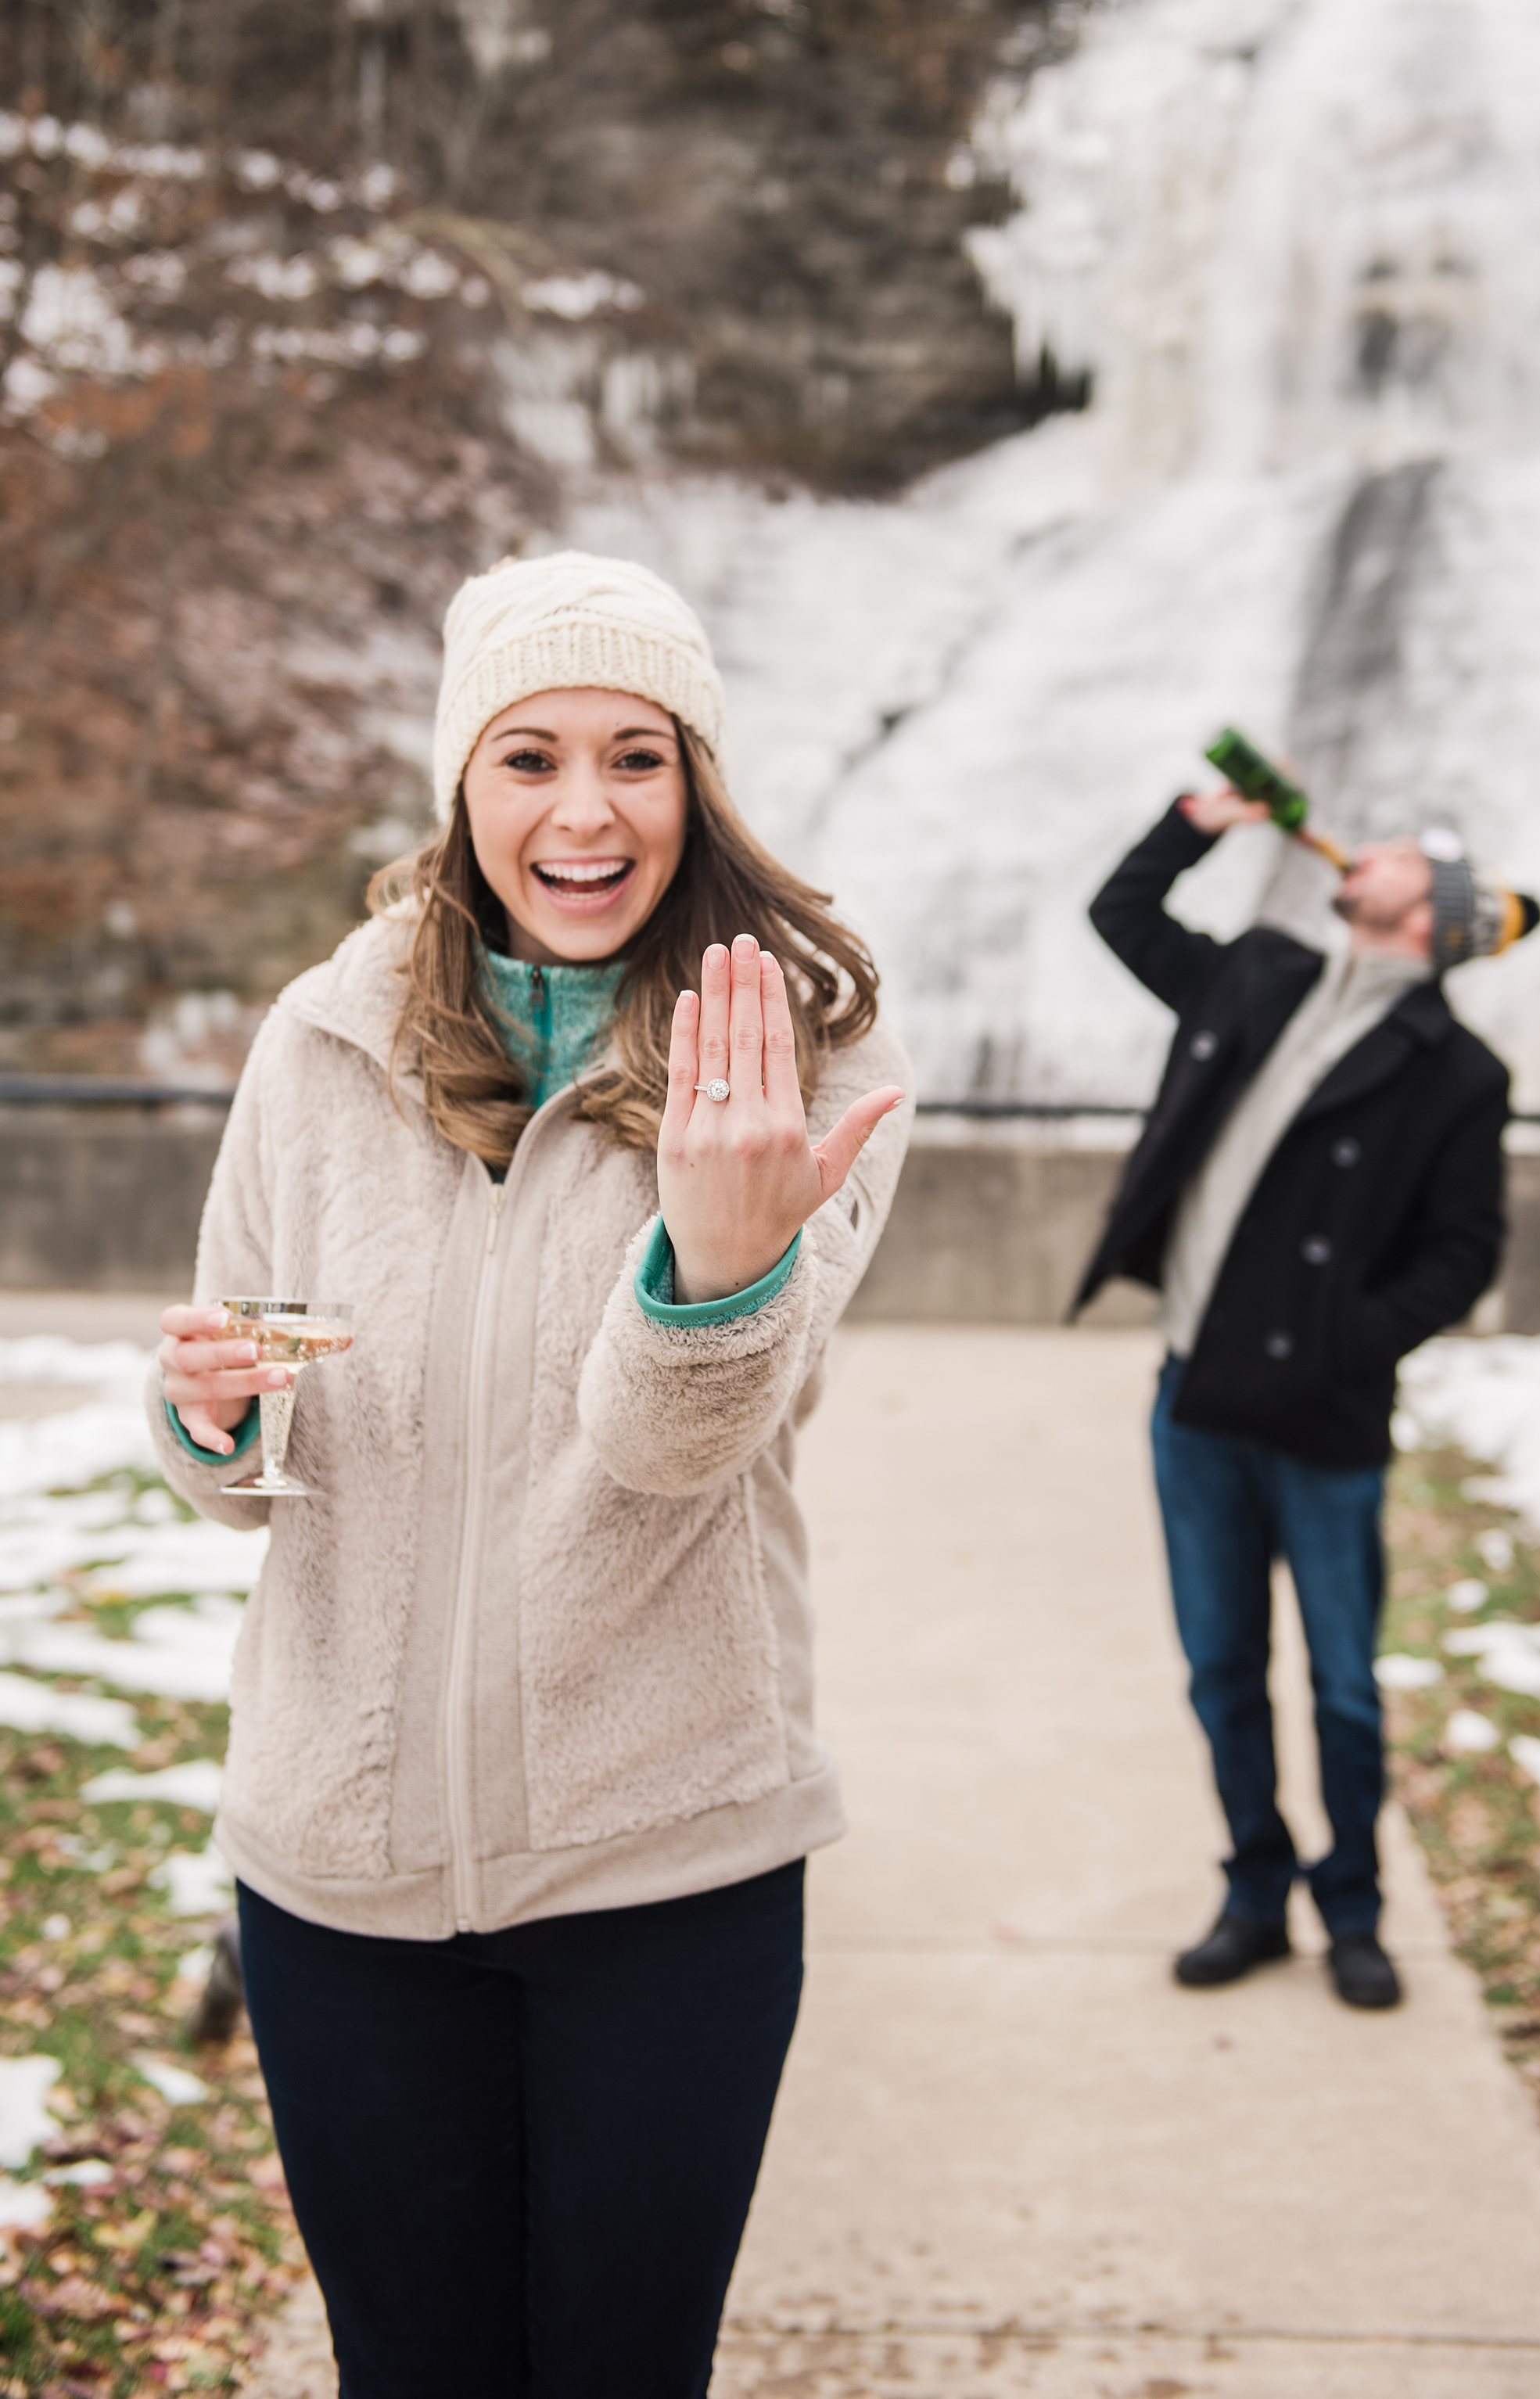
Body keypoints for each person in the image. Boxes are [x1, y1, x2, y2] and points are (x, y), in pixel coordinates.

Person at [151, 551, 911, 2398]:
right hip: (339, 1883)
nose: (585, 810)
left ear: (698, 783)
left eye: (637, 757)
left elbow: (672, 1447)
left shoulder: (799, 1051)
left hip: (665, 1875)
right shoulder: (317, 1043)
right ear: (460, 786)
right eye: (529, 756)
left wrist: (718, 1265)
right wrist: (215, 1414)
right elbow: (253, 1426)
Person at [1075, 781, 1540, 2010]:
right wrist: (1191, 822)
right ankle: (1253, 1893)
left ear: (1427, 911)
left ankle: (1354, 1909)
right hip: (1196, 1401)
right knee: (1221, 1670)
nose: (1363, 851)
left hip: (1326, 1424)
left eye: (1394, 854)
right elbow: (1123, 915)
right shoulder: (1260, 977)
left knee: (1340, 1681)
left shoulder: (1458, 1073)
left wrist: (1349, 1341)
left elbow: (1464, 1251)